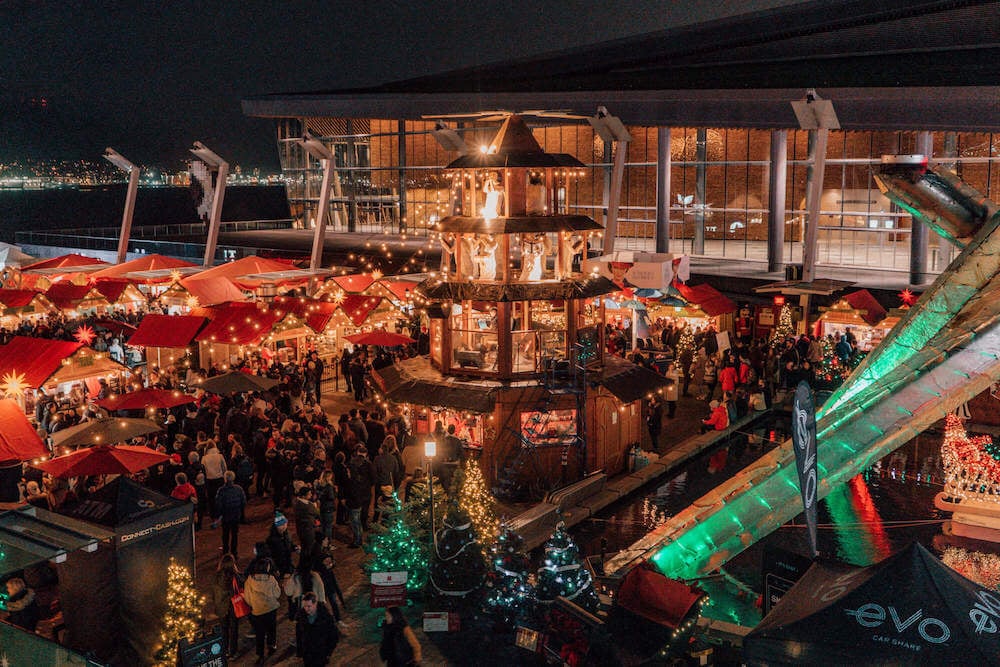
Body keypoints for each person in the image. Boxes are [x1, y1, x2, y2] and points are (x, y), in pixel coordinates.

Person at [244, 557, 282, 663]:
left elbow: (247, 597)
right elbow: (277, 594)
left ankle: (260, 654)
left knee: (259, 633)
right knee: (271, 629)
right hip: (271, 608)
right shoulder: (271, 579)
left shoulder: (250, 580)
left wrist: (254, 604)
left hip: (257, 610)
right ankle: (271, 645)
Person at [211, 553, 245, 658]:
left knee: (224, 629)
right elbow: (242, 586)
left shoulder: (216, 576)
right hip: (233, 607)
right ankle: (233, 652)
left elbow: (213, 593)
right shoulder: (235, 576)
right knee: (234, 629)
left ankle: (224, 650)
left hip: (221, 607)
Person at [295, 591, 339, 666]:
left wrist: (328, 652)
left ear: (315, 604)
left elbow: (334, 635)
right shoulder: (301, 617)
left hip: (321, 653)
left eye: (309, 606)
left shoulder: (325, 616)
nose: (306, 609)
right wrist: (300, 651)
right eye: (305, 606)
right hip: (308, 654)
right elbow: (299, 635)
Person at [215, 471, 247, 556]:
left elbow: (218, 504)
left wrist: (220, 514)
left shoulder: (221, 490)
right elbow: (243, 502)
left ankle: (225, 551)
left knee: (225, 534)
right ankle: (234, 552)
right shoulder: (239, 489)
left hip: (226, 516)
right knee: (234, 534)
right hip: (236, 515)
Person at [314, 470, 338, 545]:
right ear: (328, 477)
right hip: (328, 507)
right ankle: (328, 543)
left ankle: (323, 541)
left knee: (323, 525)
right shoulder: (329, 486)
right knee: (328, 527)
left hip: (322, 507)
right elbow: (331, 497)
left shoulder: (319, 485)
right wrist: (336, 491)